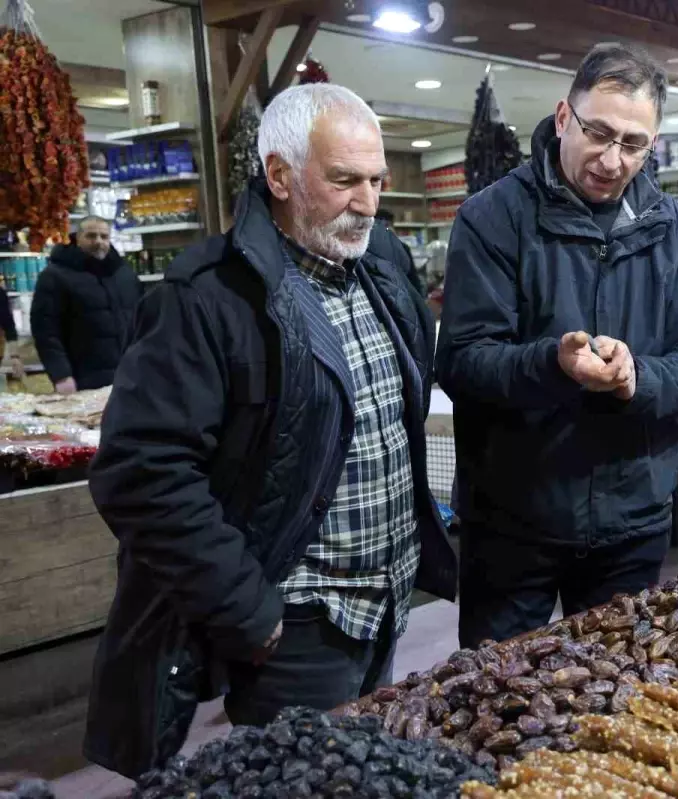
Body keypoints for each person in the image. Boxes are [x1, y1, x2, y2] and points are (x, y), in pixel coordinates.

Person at [84, 84, 457, 778]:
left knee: (372, 773)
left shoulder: (384, 268)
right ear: (279, 175)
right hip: (295, 624)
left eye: (376, 180)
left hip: (386, 600)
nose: (369, 203)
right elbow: (141, 472)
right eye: (344, 180)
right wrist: (248, 610)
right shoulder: (208, 299)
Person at [436, 44, 678, 649]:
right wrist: (552, 364)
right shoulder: (492, 219)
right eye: (598, 133)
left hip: (633, 521)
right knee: (494, 700)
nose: (613, 158)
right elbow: (463, 360)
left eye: (634, 144)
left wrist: (637, 379)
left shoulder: (676, 231)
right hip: (515, 523)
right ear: (564, 117)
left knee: (618, 695)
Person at [30, 216, 141, 393]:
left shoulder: (124, 274)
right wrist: (61, 374)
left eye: (104, 237)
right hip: (83, 379)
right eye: (91, 236)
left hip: (129, 376)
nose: (98, 242)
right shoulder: (55, 276)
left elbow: (142, 322)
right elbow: (46, 331)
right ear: (77, 238)